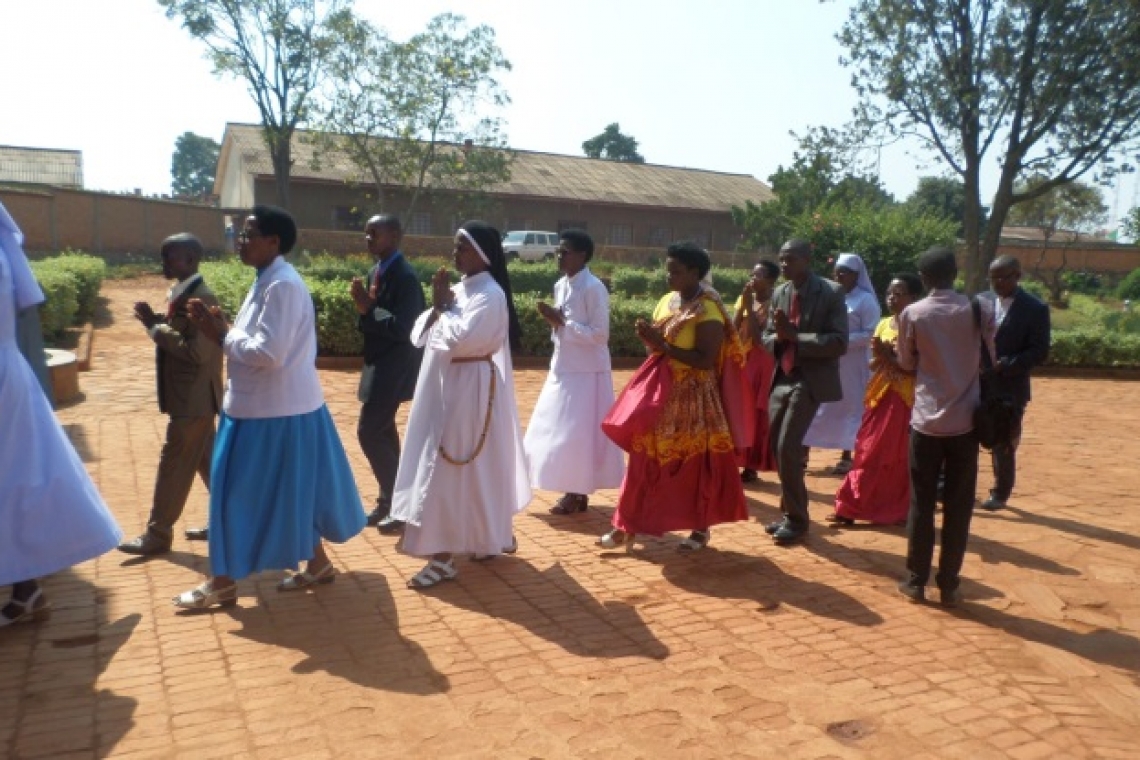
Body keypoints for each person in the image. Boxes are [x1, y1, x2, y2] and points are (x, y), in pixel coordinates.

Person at [173, 205, 365, 609]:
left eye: (249, 234)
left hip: (270, 415)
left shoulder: (282, 285)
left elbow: (270, 352)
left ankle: (223, 583)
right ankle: (318, 564)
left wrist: (222, 334)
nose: (241, 240)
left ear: (273, 242)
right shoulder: (269, 280)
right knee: (292, 494)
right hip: (273, 409)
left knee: (230, 496)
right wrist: (223, 327)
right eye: (240, 234)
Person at [390, 221, 531, 589]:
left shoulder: (491, 294)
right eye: (454, 247)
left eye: (462, 247)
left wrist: (444, 311)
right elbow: (419, 334)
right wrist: (439, 309)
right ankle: (488, 536)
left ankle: (443, 556)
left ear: (483, 254)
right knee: (465, 467)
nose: (455, 254)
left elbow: (464, 340)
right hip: (446, 387)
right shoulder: (459, 289)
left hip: (471, 390)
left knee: (453, 466)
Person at [0, 201, 121, 627]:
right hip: (10, 376)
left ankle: (26, 586)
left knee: (15, 482)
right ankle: (26, 587)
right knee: (17, 479)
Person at [598, 242, 748, 552]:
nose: (669, 277)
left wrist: (662, 345)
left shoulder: (708, 309)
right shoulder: (668, 301)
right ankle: (625, 525)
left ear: (695, 273)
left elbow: (705, 359)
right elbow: (660, 346)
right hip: (661, 392)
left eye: (676, 272)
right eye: (668, 270)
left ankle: (700, 528)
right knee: (643, 459)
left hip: (694, 398)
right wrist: (651, 341)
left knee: (693, 464)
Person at [895, 247, 992, 607]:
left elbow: (906, 363)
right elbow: (991, 355)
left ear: (923, 278)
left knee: (921, 504)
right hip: (966, 421)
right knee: (959, 505)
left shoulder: (913, 313)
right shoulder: (978, 309)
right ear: (955, 272)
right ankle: (949, 583)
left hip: (926, 422)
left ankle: (916, 581)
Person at [118, 234, 223, 556]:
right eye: (163, 257)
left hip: (194, 401)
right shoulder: (184, 294)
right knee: (214, 468)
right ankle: (230, 523)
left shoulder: (202, 298)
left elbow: (195, 352)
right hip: (192, 399)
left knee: (174, 465)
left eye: (171, 258)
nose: (164, 264)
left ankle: (158, 534)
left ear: (191, 260)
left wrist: (155, 327)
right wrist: (160, 323)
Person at [524, 229, 625, 515]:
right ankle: (570, 487)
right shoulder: (561, 285)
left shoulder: (593, 288)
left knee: (578, 435)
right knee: (553, 430)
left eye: (565, 251)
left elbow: (600, 334)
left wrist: (563, 324)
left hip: (587, 373)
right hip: (564, 368)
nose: (559, 255)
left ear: (582, 255)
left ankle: (577, 492)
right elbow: (563, 326)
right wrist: (557, 323)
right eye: (559, 250)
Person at [762, 240, 848, 545]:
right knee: (778, 447)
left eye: (791, 259)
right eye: (782, 259)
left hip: (810, 378)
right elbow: (767, 335)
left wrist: (796, 338)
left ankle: (797, 521)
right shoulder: (781, 293)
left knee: (788, 445)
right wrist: (778, 338)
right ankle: (790, 511)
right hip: (782, 376)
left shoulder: (830, 293)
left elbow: (839, 342)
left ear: (807, 260)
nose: (784, 265)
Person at [349, 215, 425, 532]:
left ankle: (401, 504)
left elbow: (406, 327)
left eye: (374, 233)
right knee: (383, 431)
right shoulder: (376, 271)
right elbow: (374, 317)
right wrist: (367, 310)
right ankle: (389, 502)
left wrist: (368, 309)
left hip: (395, 364)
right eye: (366, 234)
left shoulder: (405, 277)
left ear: (394, 235)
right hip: (379, 361)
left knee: (368, 431)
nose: (368, 239)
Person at [830, 274, 922, 526]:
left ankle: (884, 507)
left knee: (891, 455)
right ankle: (853, 503)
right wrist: (882, 357)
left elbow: (915, 368)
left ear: (913, 298)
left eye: (899, 293)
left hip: (903, 398)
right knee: (866, 448)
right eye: (889, 293)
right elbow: (874, 362)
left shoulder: (918, 325)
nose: (892, 298)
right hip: (879, 394)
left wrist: (889, 356)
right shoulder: (883, 324)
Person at [977, 255, 1050, 511]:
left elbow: (1040, 350)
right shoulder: (980, 301)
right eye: (993, 277)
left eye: (1003, 277)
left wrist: (1007, 364)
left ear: (1017, 276)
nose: (997, 282)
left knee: (1003, 440)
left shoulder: (1035, 308)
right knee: (965, 434)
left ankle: (1000, 492)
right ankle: (955, 486)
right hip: (976, 382)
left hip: (1009, 388)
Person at [804, 253, 881, 474]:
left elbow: (869, 333)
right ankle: (803, 452)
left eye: (844, 272)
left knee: (851, 407)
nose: (839, 275)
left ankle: (846, 456)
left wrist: (840, 342)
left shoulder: (865, 301)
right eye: (837, 271)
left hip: (853, 364)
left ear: (856, 276)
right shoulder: (829, 296)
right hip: (827, 359)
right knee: (818, 404)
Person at [733, 259, 780, 483]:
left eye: (758, 275)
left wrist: (749, 307)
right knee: (738, 408)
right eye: (752, 274)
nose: (753, 279)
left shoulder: (775, 304)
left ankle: (751, 464)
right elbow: (733, 329)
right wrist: (743, 305)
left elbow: (759, 337)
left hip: (762, 362)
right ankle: (735, 458)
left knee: (756, 411)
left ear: (770, 280)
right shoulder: (745, 300)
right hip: (743, 359)